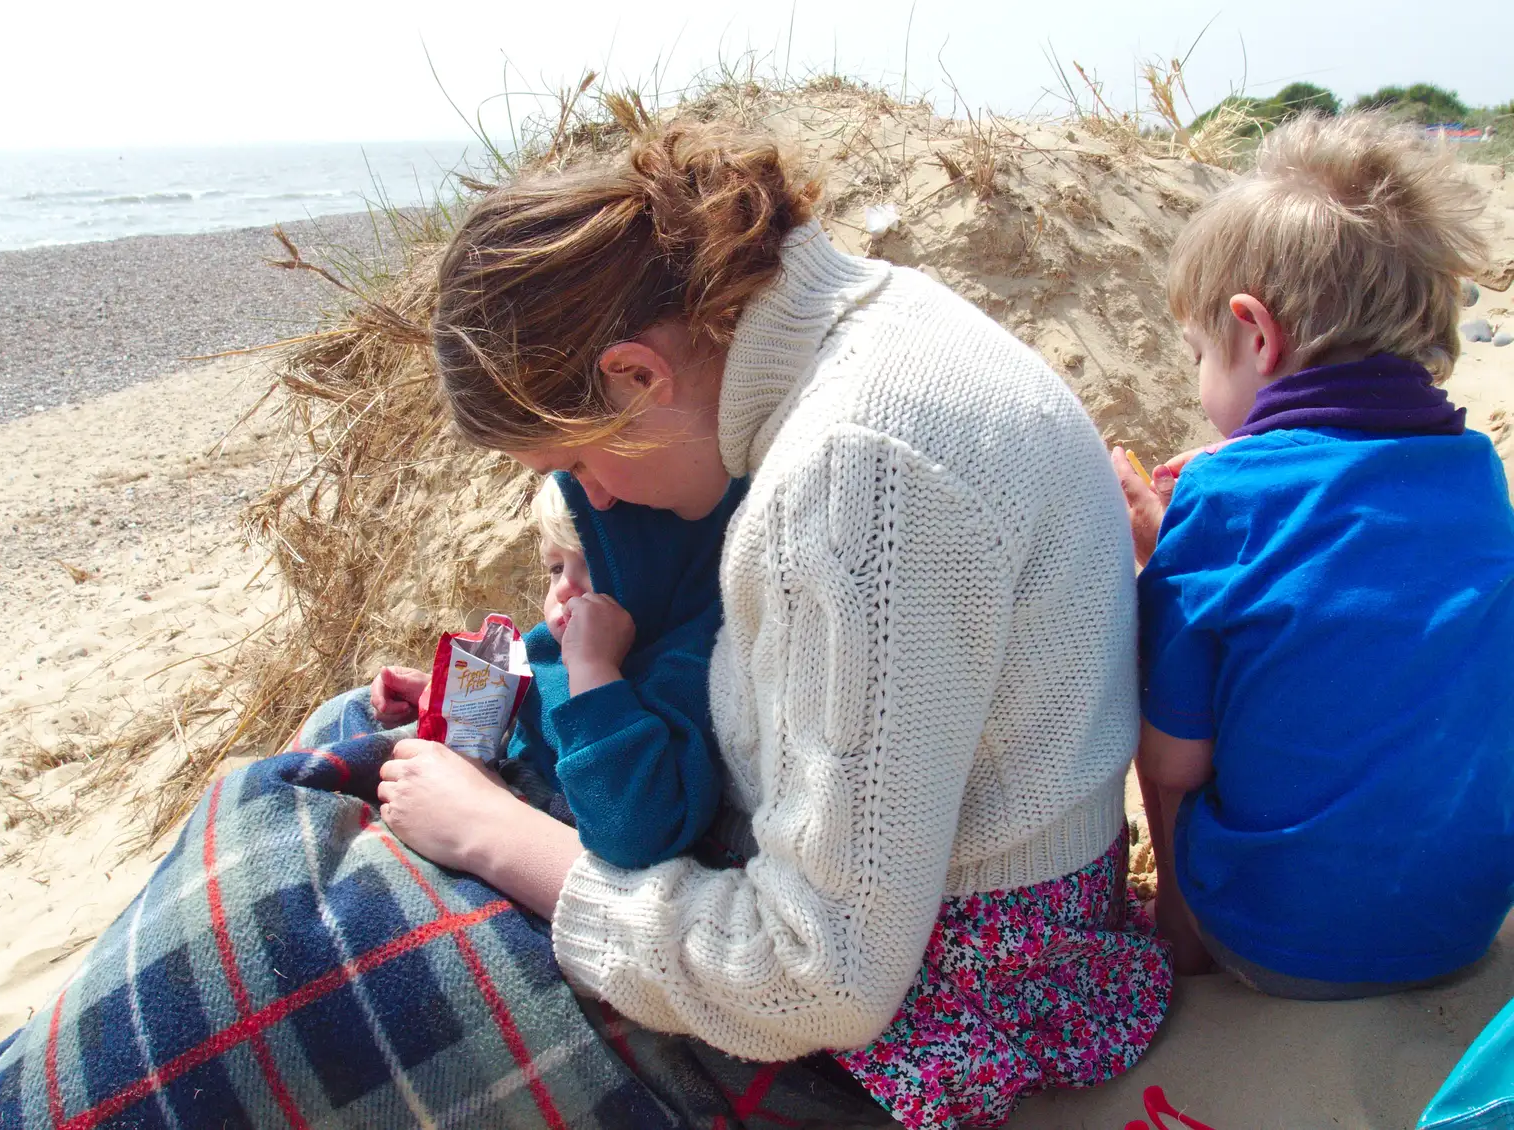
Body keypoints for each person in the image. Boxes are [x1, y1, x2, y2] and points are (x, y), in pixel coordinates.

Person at [374, 119, 1170, 1129]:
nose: (599, 500)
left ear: (635, 374)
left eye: (576, 462)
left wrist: (495, 838)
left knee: (372, 965)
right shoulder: (880, 324)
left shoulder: (851, 478)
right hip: (992, 911)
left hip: (951, 1000)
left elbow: (816, 976)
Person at [1110, 112, 1514, 997]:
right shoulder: (1477, 473)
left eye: (1198, 356)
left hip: (1280, 944)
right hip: (1460, 928)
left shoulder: (1222, 500)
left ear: (1256, 335)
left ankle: (1180, 930)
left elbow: (1176, 761)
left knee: (1165, 717)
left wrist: (1161, 566)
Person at [370, 471, 741, 870]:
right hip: (487, 791)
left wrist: (593, 670)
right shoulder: (551, 643)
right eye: (554, 566)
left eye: (591, 560)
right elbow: (517, 704)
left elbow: (632, 834)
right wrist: (439, 695)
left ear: (661, 563)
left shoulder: (687, 670)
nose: (564, 587)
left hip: (553, 855)